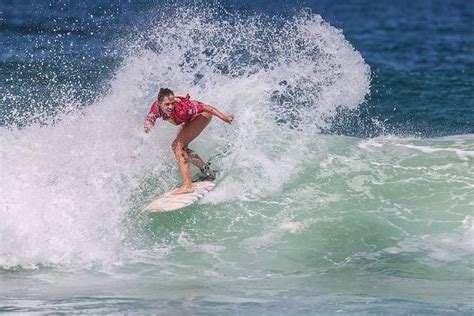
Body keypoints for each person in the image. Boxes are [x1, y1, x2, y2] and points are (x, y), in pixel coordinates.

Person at [144, 88, 234, 195]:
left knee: (178, 146)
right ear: (159, 103)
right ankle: (207, 172)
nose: (170, 107)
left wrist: (224, 118)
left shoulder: (182, 110)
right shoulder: (156, 107)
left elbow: (206, 108)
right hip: (189, 118)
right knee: (179, 147)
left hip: (202, 115)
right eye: (167, 104)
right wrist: (147, 126)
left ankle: (187, 185)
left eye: (172, 103)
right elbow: (150, 119)